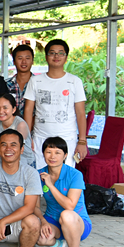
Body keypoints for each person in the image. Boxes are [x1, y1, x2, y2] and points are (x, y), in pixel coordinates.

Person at [23, 39, 88, 168]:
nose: (56, 56)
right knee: (41, 175)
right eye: (52, 53)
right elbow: (28, 110)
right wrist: (27, 138)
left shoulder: (74, 81)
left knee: (64, 176)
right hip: (40, 138)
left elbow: (80, 113)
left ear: (66, 57)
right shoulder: (35, 81)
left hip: (67, 139)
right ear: (46, 57)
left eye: (60, 53)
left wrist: (82, 141)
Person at [34, 136, 92, 247]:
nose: (52, 156)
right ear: (43, 154)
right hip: (52, 220)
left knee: (66, 215)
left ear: (65, 155)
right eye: (48, 152)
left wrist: (50, 185)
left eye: (57, 153)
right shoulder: (37, 174)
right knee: (39, 236)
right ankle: (57, 244)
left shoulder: (75, 175)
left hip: (77, 222)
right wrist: (42, 221)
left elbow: (70, 206)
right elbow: (35, 206)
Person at [0, 93, 36, 168]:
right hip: (6, 161)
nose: (1, 111)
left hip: (26, 164)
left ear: (13, 109)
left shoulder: (20, 124)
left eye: (5, 108)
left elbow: (17, 150)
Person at [6, 44, 34, 117]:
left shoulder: (39, 84)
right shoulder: (6, 84)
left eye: (27, 58)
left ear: (32, 61)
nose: (24, 62)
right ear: (14, 62)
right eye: (20, 58)